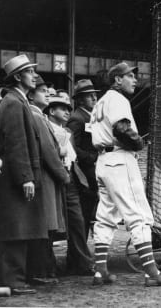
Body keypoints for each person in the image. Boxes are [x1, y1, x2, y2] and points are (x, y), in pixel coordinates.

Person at [89, 62, 161, 287]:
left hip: (103, 161)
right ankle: (151, 274)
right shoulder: (118, 99)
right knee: (139, 216)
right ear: (117, 80)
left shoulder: (100, 102)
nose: (135, 80)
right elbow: (122, 129)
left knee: (105, 216)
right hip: (120, 160)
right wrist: (138, 142)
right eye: (130, 76)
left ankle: (100, 271)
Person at [0, 55, 48, 295]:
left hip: (15, 177)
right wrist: (25, 177)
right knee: (16, 228)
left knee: (21, 226)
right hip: (15, 179)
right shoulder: (13, 103)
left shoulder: (17, 101)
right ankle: (14, 281)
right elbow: (15, 144)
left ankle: (19, 277)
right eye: (29, 71)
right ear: (18, 76)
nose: (34, 75)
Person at [45, 95, 95, 276]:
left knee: (77, 221)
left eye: (68, 108)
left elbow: (73, 158)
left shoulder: (67, 131)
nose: (67, 111)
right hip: (54, 179)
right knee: (52, 224)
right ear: (51, 111)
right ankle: (48, 266)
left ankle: (83, 263)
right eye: (62, 108)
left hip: (71, 179)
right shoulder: (45, 128)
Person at [27, 75, 69, 284]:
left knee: (45, 228)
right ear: (32, 96)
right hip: (46, 178)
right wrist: (64, 175)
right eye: (43, 91)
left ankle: (44, 269)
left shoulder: (39, 116)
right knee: (44, 228)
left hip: (46, 177)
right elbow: (48, 152)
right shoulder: (36, 117)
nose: (48, 95)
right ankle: (40, 272)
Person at [67, 79, 100, 240]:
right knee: (83, 217)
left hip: (92, 172)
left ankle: (83, 256)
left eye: (94, 95)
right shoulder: (77, 118)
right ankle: (78, 259)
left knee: (88, 215)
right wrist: (93, 158)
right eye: (89, 96)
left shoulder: (90, 116)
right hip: (84, 174)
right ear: (80, 100)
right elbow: (72, 147)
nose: (94, 99)